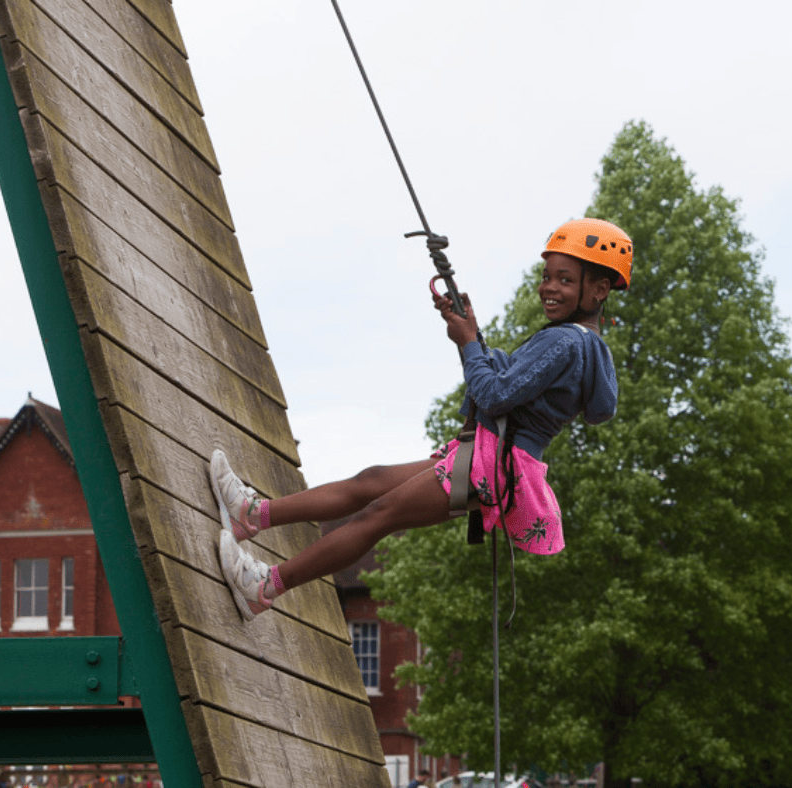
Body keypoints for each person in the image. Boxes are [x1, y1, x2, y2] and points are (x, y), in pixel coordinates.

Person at [208, 218, 632, 621]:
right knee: (372, 481)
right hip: (494, 457)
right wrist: (470, 333)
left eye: (565, 280)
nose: (549, 287)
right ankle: (253, 514)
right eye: (547, 276)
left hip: (493, 461)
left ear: (598, 290)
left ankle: (264, 587)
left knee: (379, 514)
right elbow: (507, 381)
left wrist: (469, 343)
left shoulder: (563, 342)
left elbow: (493, 394)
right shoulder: (585, 345)